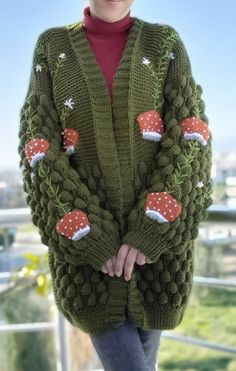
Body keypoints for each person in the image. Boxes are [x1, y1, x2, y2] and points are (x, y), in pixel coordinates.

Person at [18, 0, 213, 370]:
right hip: (88, 261)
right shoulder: (52, 47)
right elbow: (37, 148)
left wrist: (150, 230)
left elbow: (192, 137)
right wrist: (92, 237)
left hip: (157, 256)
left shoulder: (165, 44)